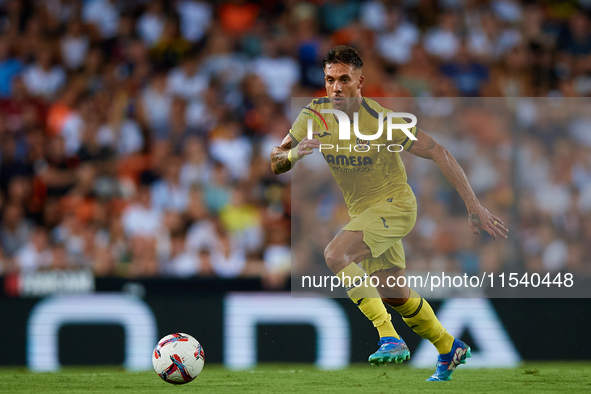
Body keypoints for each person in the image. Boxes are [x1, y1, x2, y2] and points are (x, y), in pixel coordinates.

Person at [270, 45, 509, 381]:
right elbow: (275, 160)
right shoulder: (313, 115)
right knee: (395, 294)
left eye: (343, 79)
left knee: (335, 255)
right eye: (329, 80)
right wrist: (294, 155)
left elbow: (440, 152)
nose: (336, 87)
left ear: (360, 82)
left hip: (397, 206)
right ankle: (448, 345)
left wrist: (474, 205)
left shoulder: (383, 122)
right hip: (364, 215)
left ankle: (389, 337)